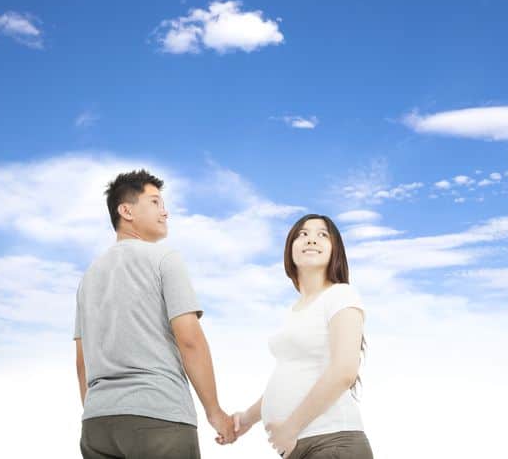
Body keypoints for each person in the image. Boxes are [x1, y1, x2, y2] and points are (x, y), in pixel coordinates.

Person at [73, 169, 235, 458]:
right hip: (159, 418)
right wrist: (215, 412)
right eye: (155, 202)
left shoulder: (89, 277)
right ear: (126, 211)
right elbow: (189, 340)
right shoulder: (165, 259)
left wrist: (101, 409)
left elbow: (81, 360)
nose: (165, 212)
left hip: (97, 425)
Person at [228, 214, 373, 458]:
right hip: (301, 446)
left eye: (322, 235)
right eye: (303, 234)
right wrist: (245, 420)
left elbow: (344, 371)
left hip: (332, 442)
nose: (311, 240)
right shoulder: (294, 311)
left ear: (335, 250)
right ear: (290, 249)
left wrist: (290, 428)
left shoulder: (341, 295)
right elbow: (291, 378)